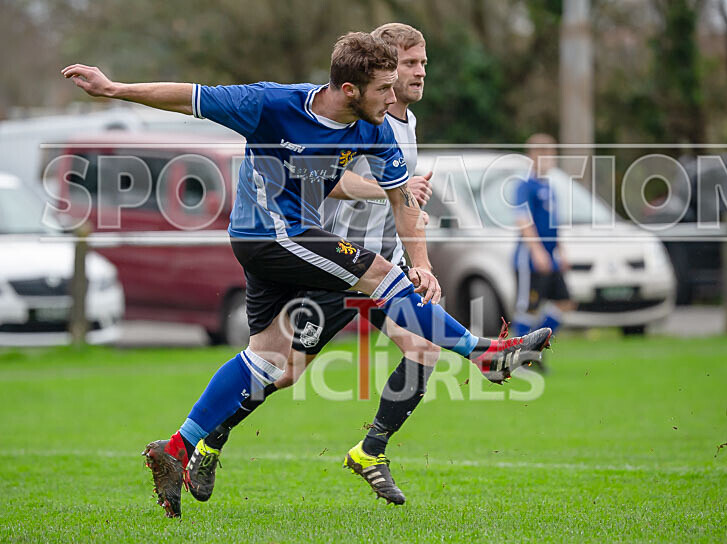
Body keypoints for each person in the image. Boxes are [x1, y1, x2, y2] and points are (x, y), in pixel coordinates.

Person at [62, 32, 551, 519]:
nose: (394, 94)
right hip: (269, 234)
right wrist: (114, 88)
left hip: (290, 243)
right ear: (350, 90)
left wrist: (421, 264)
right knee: (379, 275)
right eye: (385, 86)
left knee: (270, 361)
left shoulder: (378, 128)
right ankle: (484, 355)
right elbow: (190, 96)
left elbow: (404, 201)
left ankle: (179, 446)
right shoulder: (269, 104)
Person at [191, 23, 444, 507]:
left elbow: (402, 202)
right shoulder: (364, 117)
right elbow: (323, 181)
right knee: (281, 371)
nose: (418, 73)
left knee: (423, 348)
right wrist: (391, 191)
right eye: (410, 64)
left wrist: (416, 246)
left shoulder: (403, 125)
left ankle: (371, 451)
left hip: (379, 268)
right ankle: (208, 439)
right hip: (335, 261)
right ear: (382, 72)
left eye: (422, 63)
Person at [513, 134, 575, 370]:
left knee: (566, 302)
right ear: (533, 156)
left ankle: (532, 347)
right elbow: (523, 220)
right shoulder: (525, 186)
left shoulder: (548, 186)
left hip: (551, 257)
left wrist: (561, 252)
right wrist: (537, 252)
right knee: (528, 308)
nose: (550, 159)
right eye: (544, 154)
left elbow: (552, 224)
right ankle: (520, 358)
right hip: (530, 259)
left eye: (552, 153)